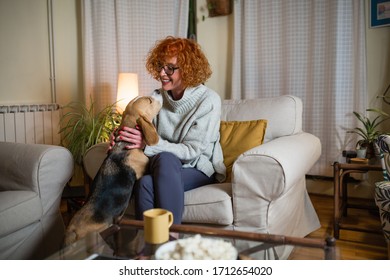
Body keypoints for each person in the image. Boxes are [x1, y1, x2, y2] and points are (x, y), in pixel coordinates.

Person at [111, 36, 226, 224]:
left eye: (170, 68)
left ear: (188, 70)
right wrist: (120, 137)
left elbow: (191, 152)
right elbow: (138, 128)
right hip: (163, 167)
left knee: (163, 159)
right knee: (144, 184)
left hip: (197, 166)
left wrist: (149, 145)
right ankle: (149, 250)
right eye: (160, 66)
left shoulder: (209, 100)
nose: (162, 73)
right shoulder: (157, 98)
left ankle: (169, 244)